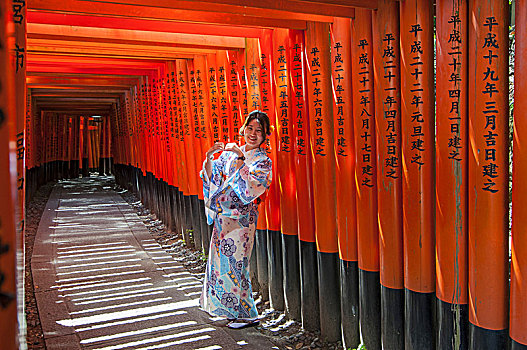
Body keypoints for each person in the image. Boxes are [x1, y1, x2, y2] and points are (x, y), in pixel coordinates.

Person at [199, 110, 273, 329]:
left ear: (265, 135)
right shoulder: (230, 154)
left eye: (259, 130)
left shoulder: (263, 161)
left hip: (241, 221)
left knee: (237, 265)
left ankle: (246, 315)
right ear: (243, 129)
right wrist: (210, 158)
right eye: (249, 128)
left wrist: (240, 158)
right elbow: (212, 178)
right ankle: (232, 312)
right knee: (220, 265)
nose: (253, 134)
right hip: (223, 219)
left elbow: (249, 190)